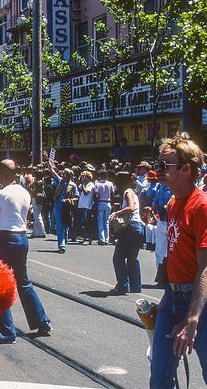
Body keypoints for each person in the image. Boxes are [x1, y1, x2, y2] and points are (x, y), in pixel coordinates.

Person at [149, 133, 207, 388]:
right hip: (172, 297)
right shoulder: (173, 202)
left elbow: (205, 267)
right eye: (157, 163)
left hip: (199, 304)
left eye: (164, 165)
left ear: (185, 170)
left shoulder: (201, 206)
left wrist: (193, 318)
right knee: (160, 372)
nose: (157, 170)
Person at [0, 160, 53, 344]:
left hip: (6, 239)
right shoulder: (24, 192)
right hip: (22, 238)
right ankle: (41, 320)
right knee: (23, 282)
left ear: (0, 174)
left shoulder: (1, 194)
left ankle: (4, 331)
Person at [108, 171, 144, 294]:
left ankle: (123, 285)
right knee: (132, 258)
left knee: (118, 257)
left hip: (130, 228)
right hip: (138, 227)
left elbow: (130, 208)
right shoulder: (133, 192)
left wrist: (116, 213)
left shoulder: (127, 192)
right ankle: (136, 287)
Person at [47, 161, 79, 253]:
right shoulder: (60, 181)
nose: (63, 175)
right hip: (58, 207)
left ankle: (64, 241)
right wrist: (49, 164)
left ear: (69, 176)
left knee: (66, 226)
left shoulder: (73, 185)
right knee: (60, 226)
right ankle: (62, 245)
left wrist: (68, 200)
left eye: (65, 174)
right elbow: (53, 172)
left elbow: (77, 197)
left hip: (67, 208)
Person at [93, 169, 115, 245]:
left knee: (100, 222)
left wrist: (95, 204)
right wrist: (112, 203)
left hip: (100, 202)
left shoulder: (97, 184)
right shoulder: (110, 184)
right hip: (108, 203)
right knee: (106, 222)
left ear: (99, 176)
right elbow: (112, 195)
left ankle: (101, 239)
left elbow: (96, 195)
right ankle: (106, 239)